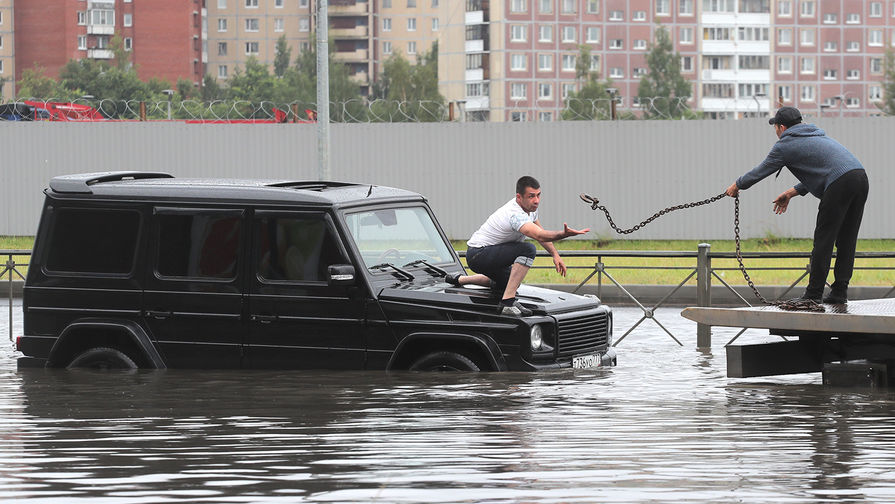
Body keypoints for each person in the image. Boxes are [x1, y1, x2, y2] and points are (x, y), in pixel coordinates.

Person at [726, 106, 869, 305]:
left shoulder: (786, 145)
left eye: (775, 127)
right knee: (847, 239)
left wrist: (737, 185)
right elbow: (826, 170)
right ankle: (839, 292)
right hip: (859, 177)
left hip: (840, 182)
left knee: (824, 239)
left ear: (782, 127)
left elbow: (762, 170)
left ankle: (813, 294)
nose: (775, 132)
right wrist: (793, 192)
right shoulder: (815, 135)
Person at [446, 176, 590, 316]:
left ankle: (459, 279)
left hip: (485, 256)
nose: (536, 201)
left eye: (539, 195)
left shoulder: (530, 210)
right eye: (531, 196)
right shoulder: (515, 214)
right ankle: (508, 303)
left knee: (511, 282)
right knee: (528, 249)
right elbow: (539, 236)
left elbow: (541, 232)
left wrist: (555, 255)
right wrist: (563, 234)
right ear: (519, 197)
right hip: (479, 254)